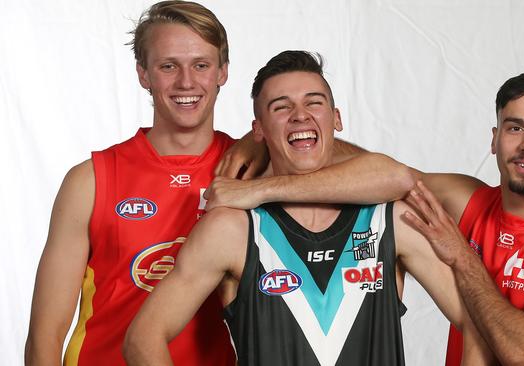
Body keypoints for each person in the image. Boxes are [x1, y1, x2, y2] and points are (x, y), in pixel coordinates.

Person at [204, 70, 524, 365]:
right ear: (495, 139)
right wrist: (261, 140)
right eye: (516, 128)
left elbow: (522, 352)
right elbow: (387, 174)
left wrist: (461, 255)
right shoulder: (470, 201)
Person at [123, 50, 489, 366]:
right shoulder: (233, 230)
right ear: (259, 130)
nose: (300, 116)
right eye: (281, 107)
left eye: (314, 102)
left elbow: (477, 319)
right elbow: (143, 338)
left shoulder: (392, 220)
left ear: (337, 119)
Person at [25, 2, 265, 365]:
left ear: (222, 72)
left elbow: (379, 177)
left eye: (201, 65)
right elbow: (47, 332)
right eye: (168, 66)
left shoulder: (255, 170)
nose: (186, 81)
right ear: (143, 74)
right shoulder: (90, 180)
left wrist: (257, 140)